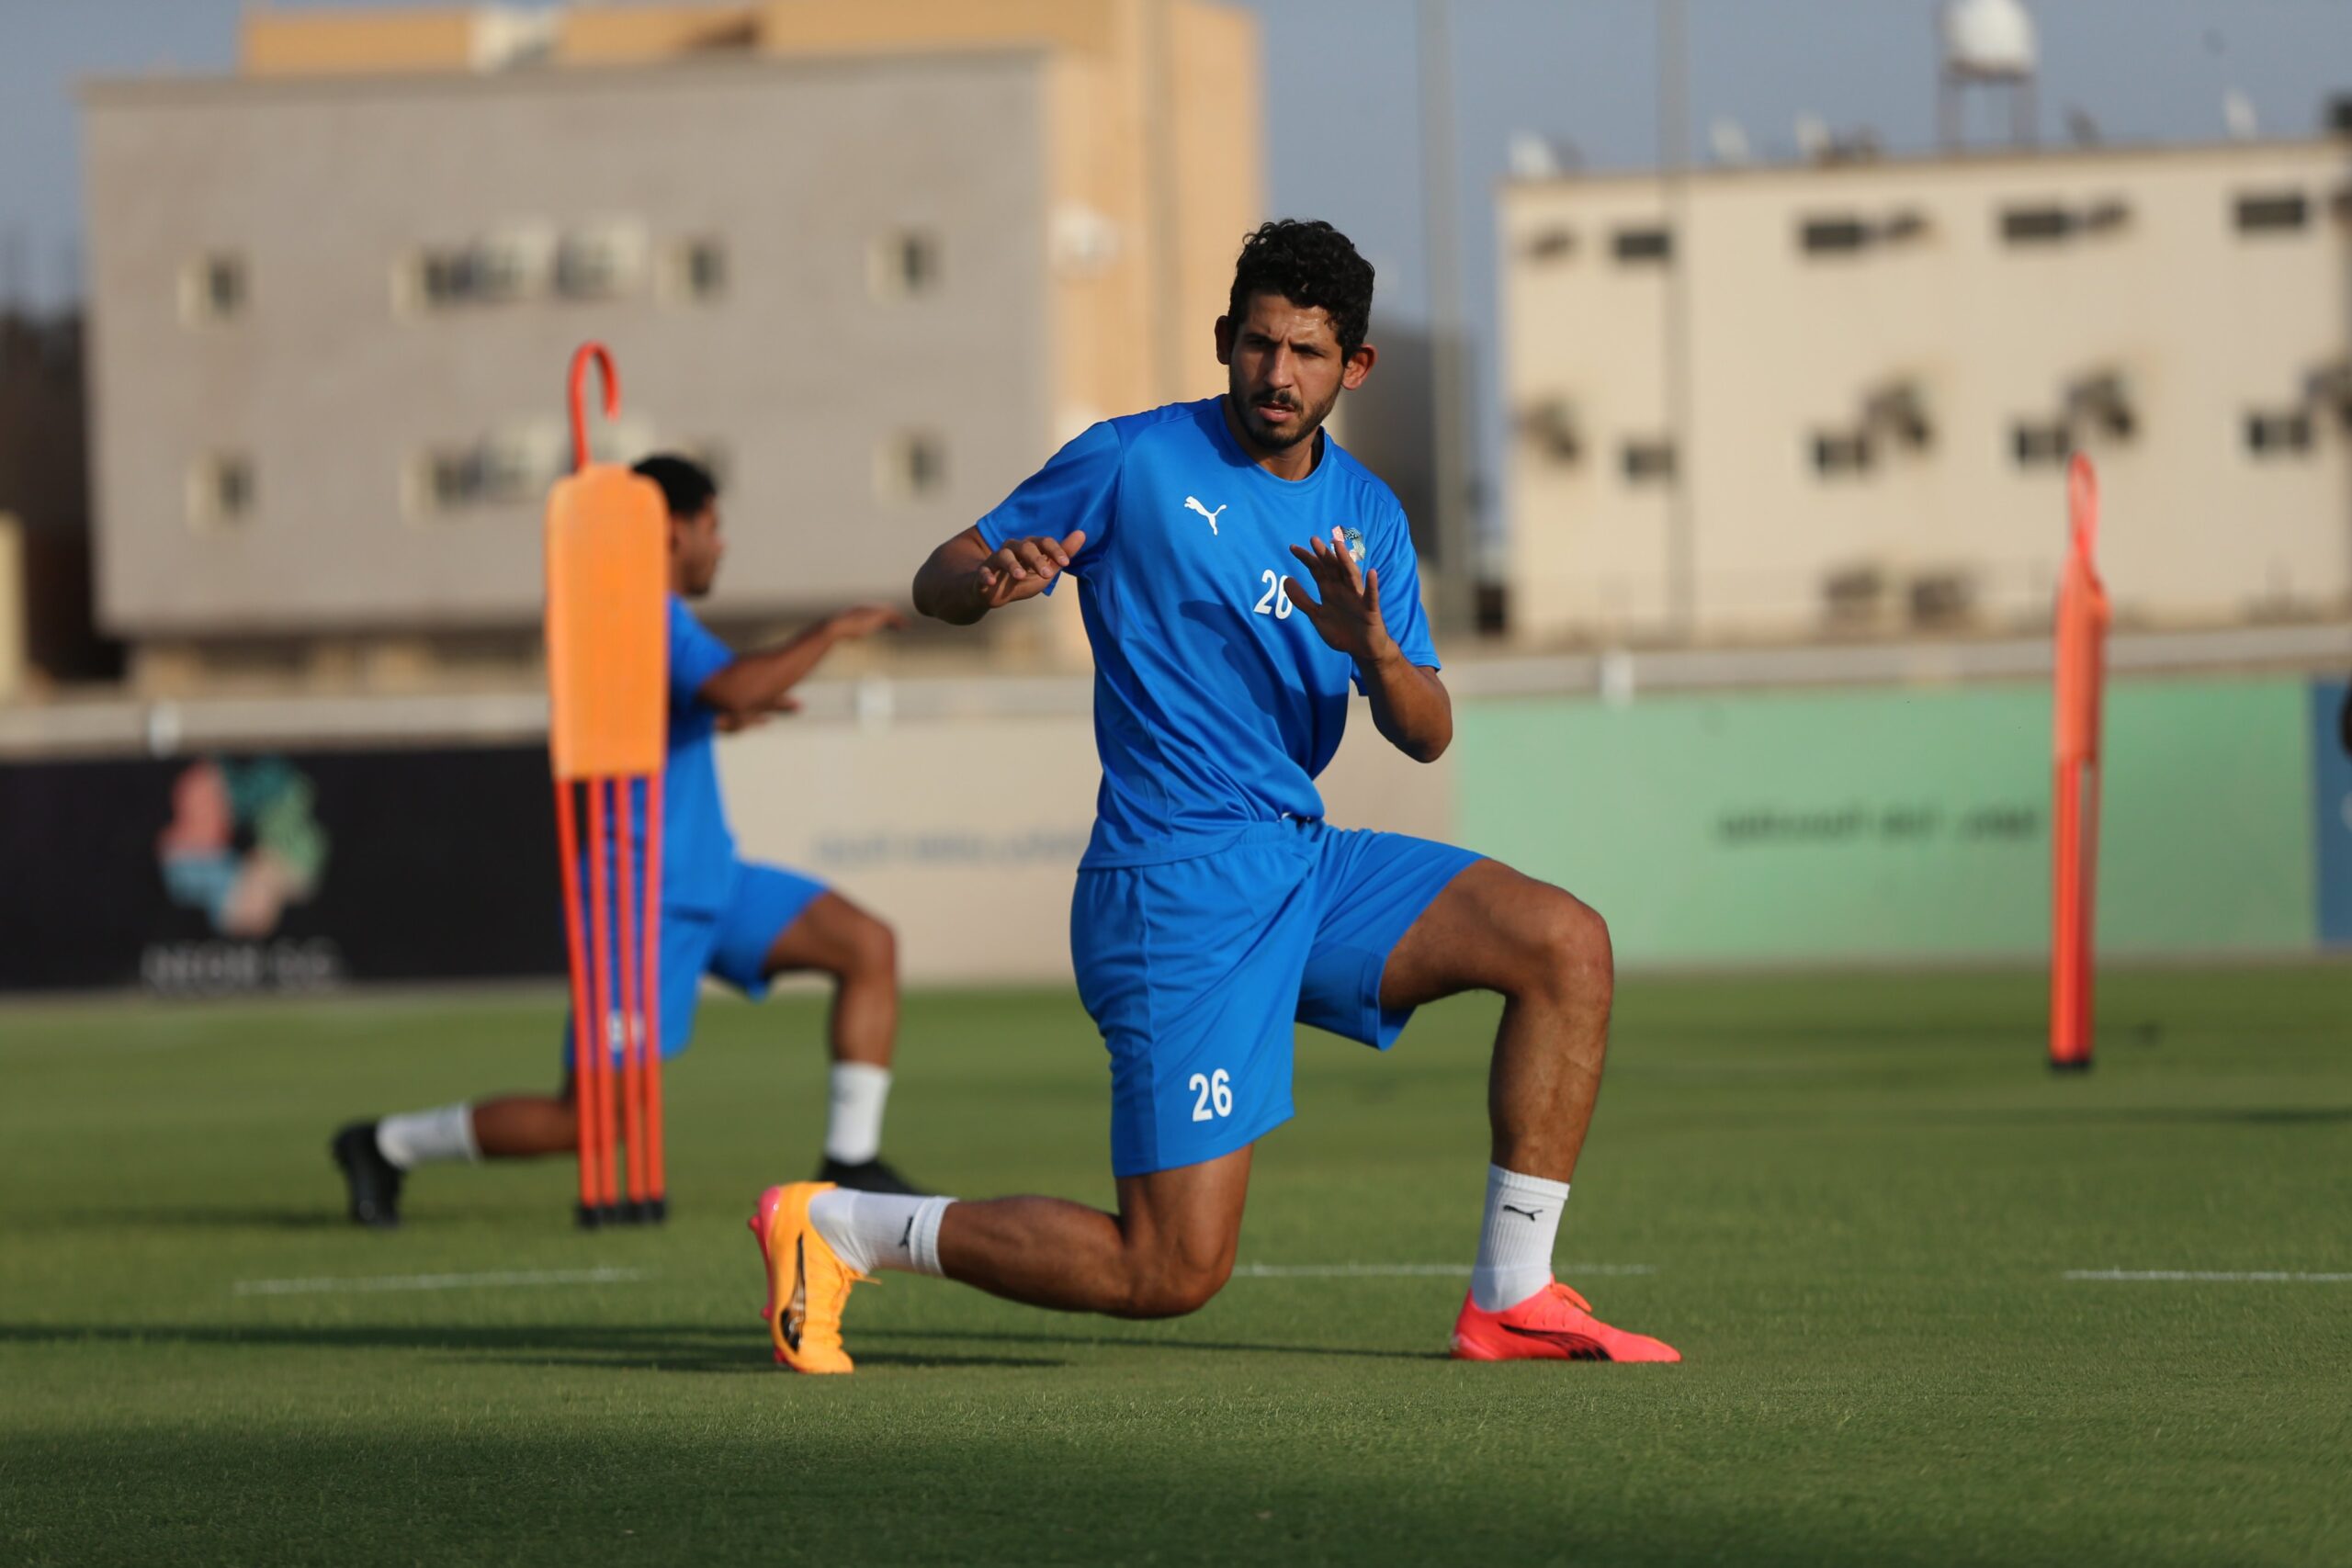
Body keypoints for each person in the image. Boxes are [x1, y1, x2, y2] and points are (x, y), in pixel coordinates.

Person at [748, 220, 1678, 1371]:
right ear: (1226, 338)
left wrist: (1376, 650)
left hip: (1302, 864)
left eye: (1306, 352)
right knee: (1170, 1270)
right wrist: (985, 582)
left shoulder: (1370, 514)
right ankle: (839, 1226)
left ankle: (1513, 1295)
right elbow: (938, 575)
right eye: (1257, 344)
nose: (1276, 374)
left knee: (1562, 945)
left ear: (1354, 366)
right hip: (1175, 887)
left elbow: (1426, 733)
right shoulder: (1133, 460)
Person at [334, 454, 919, 1226]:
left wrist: (720, 716)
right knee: (588, 1124)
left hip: (710, 880)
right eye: (713, 526)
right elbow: (733, 683)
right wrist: (830, 631)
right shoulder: (641, 609)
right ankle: (384, 1144)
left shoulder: (654, 616)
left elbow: (684, 706)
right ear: (672, 528)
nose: (721, 545)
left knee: (867, 943)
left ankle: (850, 1160)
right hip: (636, 905)